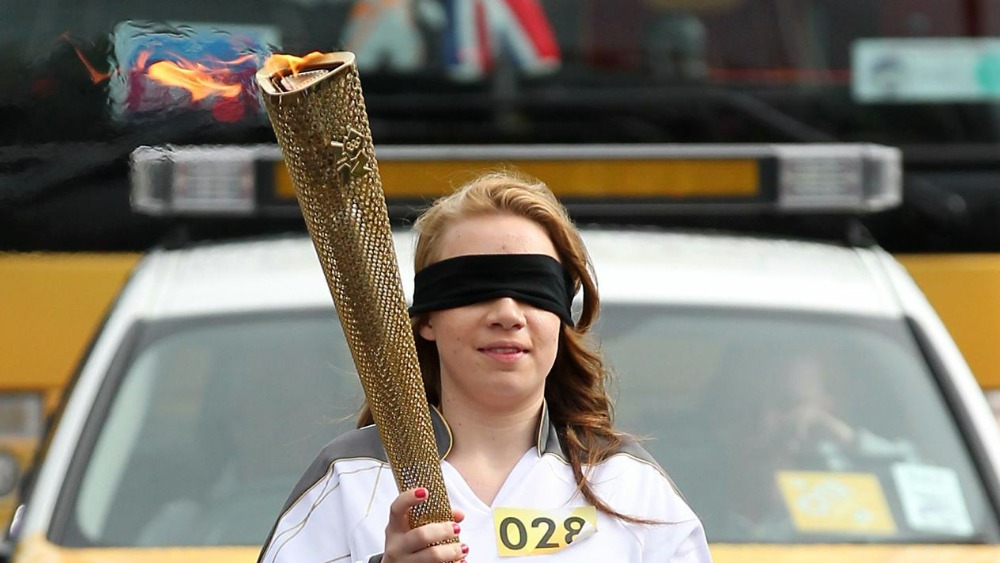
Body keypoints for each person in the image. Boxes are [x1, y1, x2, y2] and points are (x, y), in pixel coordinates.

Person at [257, 171, 712, 562]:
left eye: (533, 288)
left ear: (560, 316)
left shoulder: (631, 488)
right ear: (428, 320)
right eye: (474, 288)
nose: (508, 314)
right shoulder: (347, 481)